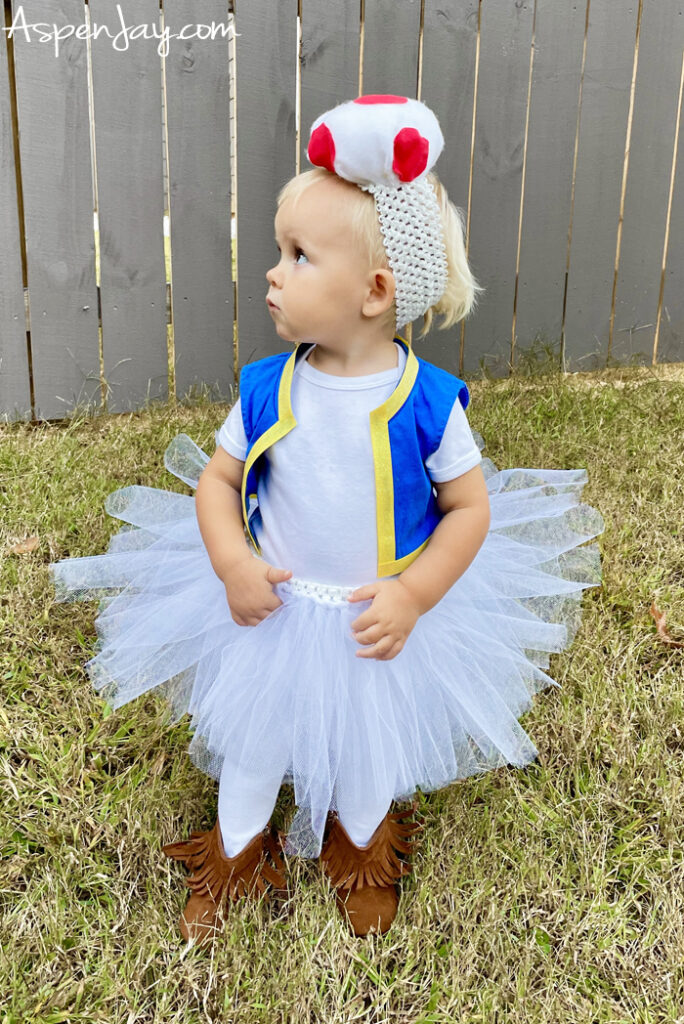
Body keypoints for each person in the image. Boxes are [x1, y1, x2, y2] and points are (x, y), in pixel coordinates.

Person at [49, 95, 604, 946]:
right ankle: (232, 857)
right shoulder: (269, 386)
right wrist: (233, 561)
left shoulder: (426, 403)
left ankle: (361, 852)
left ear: (376, 292)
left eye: (298, 257)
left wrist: (416, 594)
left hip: (376, 614)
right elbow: (216, 481)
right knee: (253, 743)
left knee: (372, 748)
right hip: (274, 607)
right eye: (281, 252)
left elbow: (468, 508)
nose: (273, 272)